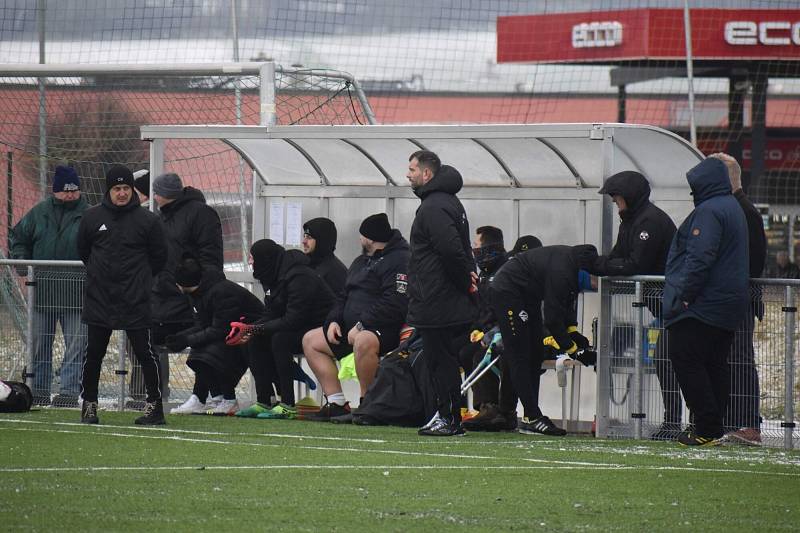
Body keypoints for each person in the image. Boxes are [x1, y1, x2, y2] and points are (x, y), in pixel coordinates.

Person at [663, 158, 749, 446]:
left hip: (703, 304)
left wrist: (684, 296)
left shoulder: (709, 211)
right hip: (727, 303)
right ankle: (713, 425)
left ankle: (705, 427)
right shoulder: (731, 207)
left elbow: (700, 257)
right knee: (715, 363)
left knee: (685, 357)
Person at [591, 170, 680, 440]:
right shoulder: (631, 220)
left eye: (617, 198)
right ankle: (675, 423)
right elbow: (620, 256)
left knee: (671, 361)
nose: (615, 203)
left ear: (629, 196)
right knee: (667, 361)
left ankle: (682, 422)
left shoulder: (649, 222)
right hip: (664, 307)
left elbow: (634, 264)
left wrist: (598, 264)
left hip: (675, 307)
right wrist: (602, 265)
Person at [77, 165, 168, 425]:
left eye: (126, 188)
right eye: (117, 188)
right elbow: (83, 251)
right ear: (109, 190)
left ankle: (154, 407)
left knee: (145, 354)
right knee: (93, 353)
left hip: (135, 299)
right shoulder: (91, 217)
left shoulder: (148, 221)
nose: (121, 193)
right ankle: (89, 405)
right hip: (99, 298)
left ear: (132, 190)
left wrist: (140, 281)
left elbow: (159, 257)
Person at [302, 213, 410, 422]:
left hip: (385, 328)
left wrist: (362, 325)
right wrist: (333, 321)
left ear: (368, 238)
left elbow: (396, 302)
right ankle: (337, 403)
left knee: (363, 341)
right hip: (351, 328)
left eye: (361, 236)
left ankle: (368, 403)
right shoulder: (361, 261)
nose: (359, 240)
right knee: (311, 340)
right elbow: (343, 295)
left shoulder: (400, 260)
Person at [489, 244, 598, 436]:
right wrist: (573, 350)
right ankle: (531, 415)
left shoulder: (572, 266)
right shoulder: (563, 272)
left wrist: (574, 335)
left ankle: (531, 415)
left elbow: (565, 306)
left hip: (527, 294)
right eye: (594, 280)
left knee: (536, 352)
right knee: (519, 353)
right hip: (508, 290)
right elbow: (553, 318)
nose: (595, 284)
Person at [406, 150, 478, 437]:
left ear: (427, 174)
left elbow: (450, 249)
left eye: (412, 169)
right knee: (441, 359)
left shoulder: (434, 206)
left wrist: (463, 281)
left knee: (440, 360)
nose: (407, 174)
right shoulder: (446, 202)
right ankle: (447, 415)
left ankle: (449, 418)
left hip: (437, 298)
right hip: (442, 297)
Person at [9, 165, 89, 407]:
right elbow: (18, 238)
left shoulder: (89, 214)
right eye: (65, 191)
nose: (70, 195)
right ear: (55, 191)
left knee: (76, 346)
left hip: (77, 294)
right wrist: (22, 263)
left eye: (74, 191)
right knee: (39, 344)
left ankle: (69, 392)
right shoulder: (39, 212)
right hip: (42, 292)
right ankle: (40, 390)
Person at [234, 239, 335, 419]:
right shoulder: (272, 275)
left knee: (280, 338)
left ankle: (288, 403)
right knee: (254, 338)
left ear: (265, 259)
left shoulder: (299, 276)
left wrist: (256, 328)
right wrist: (250, 329)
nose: (250, 262)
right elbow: (272, 313)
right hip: (297, 327)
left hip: (320, 328)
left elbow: (293, 319)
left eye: (253, 258)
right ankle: (265, 401)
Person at [147, 172, 224, 405]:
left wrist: (199, 287)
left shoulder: (200, 214)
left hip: (192, 297)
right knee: (150, 342)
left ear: (159, 194)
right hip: (164, 297)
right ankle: (155, 395)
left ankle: (205, 396)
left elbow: (210, 257)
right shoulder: (160, 218)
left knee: (205, 342)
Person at [709, 153, 767, 446]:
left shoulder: (744, 212)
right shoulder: (736, 209)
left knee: (740, 359)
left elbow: (754, 261)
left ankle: (747, 424)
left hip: (738, 300)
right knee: (729, 359)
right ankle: (734, 422)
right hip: (733, 298)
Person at [166, 256, 265, 415]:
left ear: (184, 283)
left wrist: (187, 340)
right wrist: (181, 337)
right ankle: (211, 398)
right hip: (231, 330)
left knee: (213, 352)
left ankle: (228, 399)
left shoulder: (221, 291)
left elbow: (220, 329)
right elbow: (203, 324)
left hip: (253, 332)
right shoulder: (198, 292)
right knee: (200, 352)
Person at [461, 225, 514, 432]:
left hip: (507, 333)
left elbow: (507, 312)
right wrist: (476, 329)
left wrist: (491, 334)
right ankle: (474, 407)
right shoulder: (483, 274)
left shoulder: (506, 272)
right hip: (488, 332)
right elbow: (482, 310)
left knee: (481, 355)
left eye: (477, 246)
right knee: (463, 351)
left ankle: (492, 409)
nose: (474, 252)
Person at [302, 217, 347, 295]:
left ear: (322, 241)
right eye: (304, 236)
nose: (304, 241)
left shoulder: (335, 272)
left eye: (309, 238)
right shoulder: (311, 263)